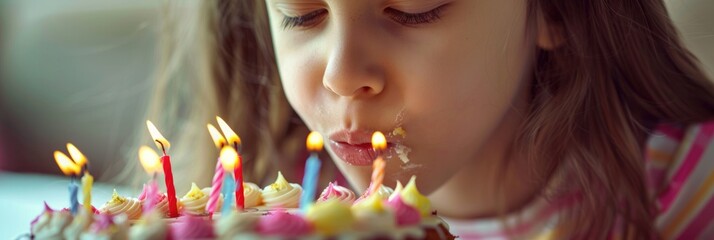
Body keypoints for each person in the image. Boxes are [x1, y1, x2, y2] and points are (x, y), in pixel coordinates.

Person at [117, 0, 714, 238]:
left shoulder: (684, 190)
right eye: (301, 14)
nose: (342, 75)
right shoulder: (263, 209)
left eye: (413, 8)